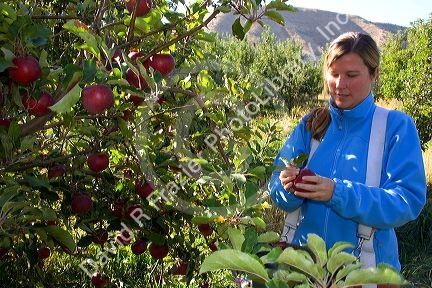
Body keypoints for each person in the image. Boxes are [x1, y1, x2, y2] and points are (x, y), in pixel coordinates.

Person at [269, 31, 427, 271]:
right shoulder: (311, 124)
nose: (340, 85)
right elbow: (277, 189)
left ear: (374, 74)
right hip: (304, 268)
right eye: (334, 74)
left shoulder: (395, 127)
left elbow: (406, 201)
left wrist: (337, 193)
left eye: (351, 75)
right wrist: (288, 187)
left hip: (365, 272)